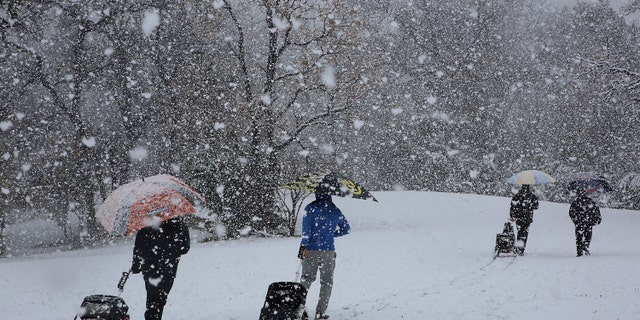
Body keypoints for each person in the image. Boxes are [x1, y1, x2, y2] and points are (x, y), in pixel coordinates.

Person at [298, 192, 351, 320]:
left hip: (310, 249)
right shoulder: (335, 210)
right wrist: (330, 234)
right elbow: (346, 229)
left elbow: (306, 231)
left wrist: (303, 246)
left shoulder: (309, 208)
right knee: (326, 282)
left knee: (306, 278)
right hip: (328, 251)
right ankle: (320, 312)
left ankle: (299, 308)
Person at [131, 217, 190, 320]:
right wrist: (172, 250)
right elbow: (185, 248)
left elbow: (138, 248)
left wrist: (136, 265)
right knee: (161, 298)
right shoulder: (178, 224)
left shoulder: (146, 224)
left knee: (152, 296)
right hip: (169, 267)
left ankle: (152, 315)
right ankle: (155, 315)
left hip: (149, 267)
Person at [569, 185, 602, 257]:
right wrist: (596, 220)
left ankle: (579, 251)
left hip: (579, 223)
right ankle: (585, 246)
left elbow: (571, 213)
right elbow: (596, 212)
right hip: (588, 222)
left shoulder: (576, 202)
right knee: (588, 235)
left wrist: (575, 220)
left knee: (579, 237)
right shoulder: (591, 202)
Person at [509, 184, 539, 255]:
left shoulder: (517, 195)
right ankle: (521, 248)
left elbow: (512, 206)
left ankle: (519, 246)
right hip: (528, 217)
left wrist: (512, 215)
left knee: (519, 231)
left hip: (518, 217)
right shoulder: (532, 196)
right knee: (525, 232)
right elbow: (536, 206)